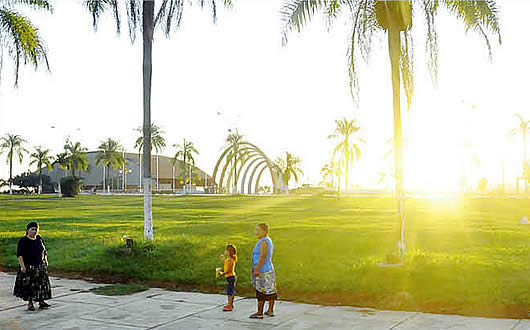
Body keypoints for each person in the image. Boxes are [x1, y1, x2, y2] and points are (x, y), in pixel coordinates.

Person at [13, 222, 52, 311]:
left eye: (36, 229)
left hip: (40, 266)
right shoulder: (23, 241)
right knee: (29, 285)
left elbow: (44, 250)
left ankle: (41, 301)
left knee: (41, 284)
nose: (34, 231)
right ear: (27, 230)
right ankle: (30, 303)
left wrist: (45, 260)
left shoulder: (39, 239)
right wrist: (22, 266)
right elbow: (20, 255)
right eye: (32, 229)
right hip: (28, 266)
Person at [249, 223, 277, 319]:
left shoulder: (264, 242)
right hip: (267, 269)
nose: (256, 232)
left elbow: (263, 256)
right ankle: (270, 311)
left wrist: (257, 270)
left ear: (265, 231)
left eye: (258, 230)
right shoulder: (266, 240)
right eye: (256, 230)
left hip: (262, 270)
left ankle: (259, 313)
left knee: (261, 292)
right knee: (270, 290)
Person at [219, 244, 237, 312]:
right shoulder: (230, 259)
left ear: (229, 251)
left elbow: (229, 270)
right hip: (231, 277)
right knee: (231, 291)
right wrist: (223, 260)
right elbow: (227, 264)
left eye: (226, 250)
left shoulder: (230, 260)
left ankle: (230, 306)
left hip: (230, 277)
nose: (225, 251)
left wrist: (222, 273)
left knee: (230, 292)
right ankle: (230, 304)